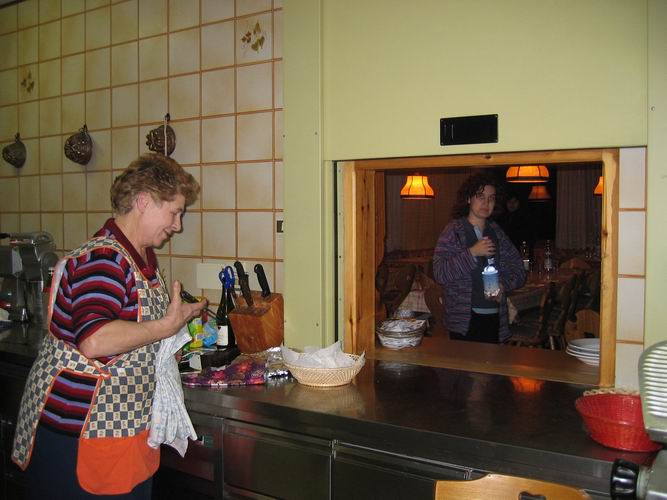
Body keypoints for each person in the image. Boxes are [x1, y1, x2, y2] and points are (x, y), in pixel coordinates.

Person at [12, 153, 206, 499]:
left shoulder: (138, 257)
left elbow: (132, 334)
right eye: (175, 212)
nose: (177, 225)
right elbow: (95, 339)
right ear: (144, 201)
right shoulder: (104, 259)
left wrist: (168, 342)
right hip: (80, 435)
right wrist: (165, 327)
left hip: (122, 430)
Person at [432, 172, 526, 343]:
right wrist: (472, 253)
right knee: (466, 361)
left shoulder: (496, 232)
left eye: (491, 198)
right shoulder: (454, 231)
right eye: (480, 196)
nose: (486, 203)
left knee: (491, 361)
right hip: (463, 320)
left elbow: (518, 269)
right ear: (468, 198)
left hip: (494, 315)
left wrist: (503, 285)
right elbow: (439, 273)